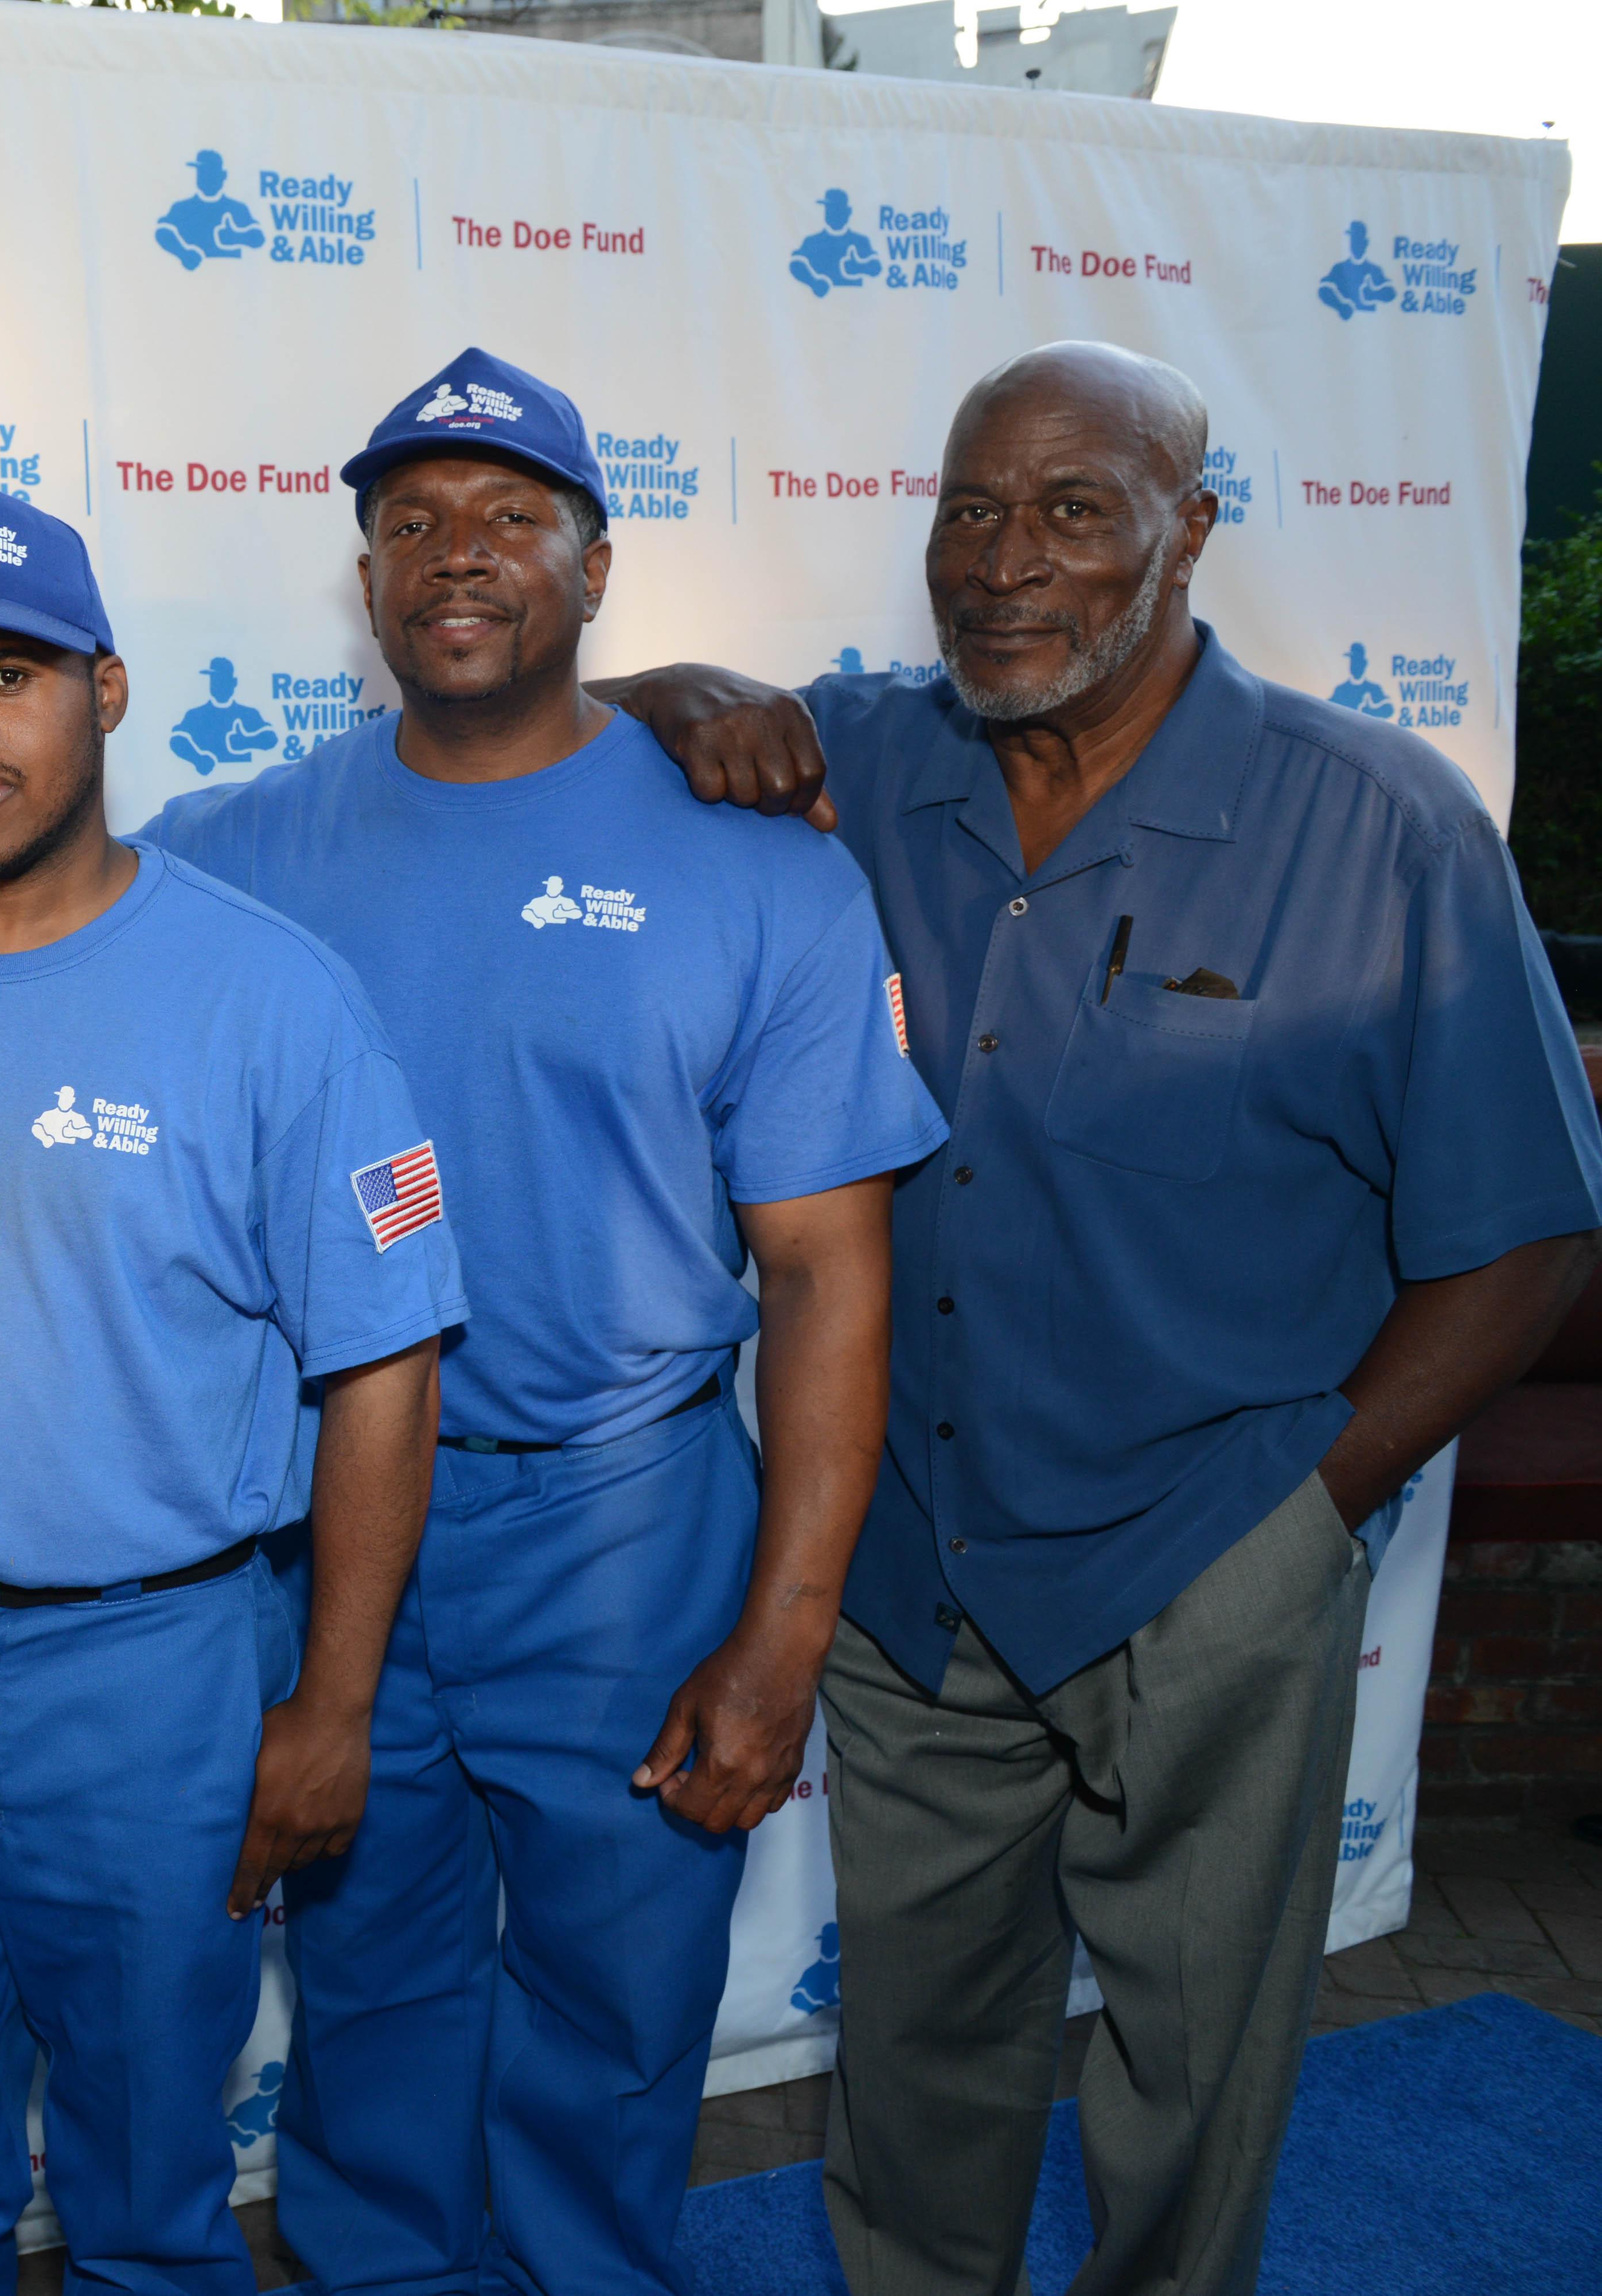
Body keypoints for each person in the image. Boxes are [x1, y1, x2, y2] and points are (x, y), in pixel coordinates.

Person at [0, 352, 944, 2296]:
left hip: (618, 1523)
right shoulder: (239, 841)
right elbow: (25, 876)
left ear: (598, 559)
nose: (455, 558)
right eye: (411, 526)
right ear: (365, 576)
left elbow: (827, 1271)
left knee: (613, 2027)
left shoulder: (756, 863)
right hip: (325, 1527)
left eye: (509, 520)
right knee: (366, 2017)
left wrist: (783, 1635)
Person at [600, 339, 1602, 2296]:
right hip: (910, 1571)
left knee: (1190, 2073)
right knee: (915, 2060)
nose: (1004, 562)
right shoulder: (864, 763)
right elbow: (556, 735)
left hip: (1210, 1558)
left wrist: (1310, 1504)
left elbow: (1524, 1233)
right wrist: (675, 692)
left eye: (1074, 511)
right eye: (972, 509)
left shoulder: (1383, 826)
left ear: (1191, 531)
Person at [0, 481, 457, 2294]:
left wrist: (334, 1702)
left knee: (147, 2190)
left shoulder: (272, 998)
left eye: (11, 672)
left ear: (107, 691)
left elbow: (385, 1364)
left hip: (151, 1678)